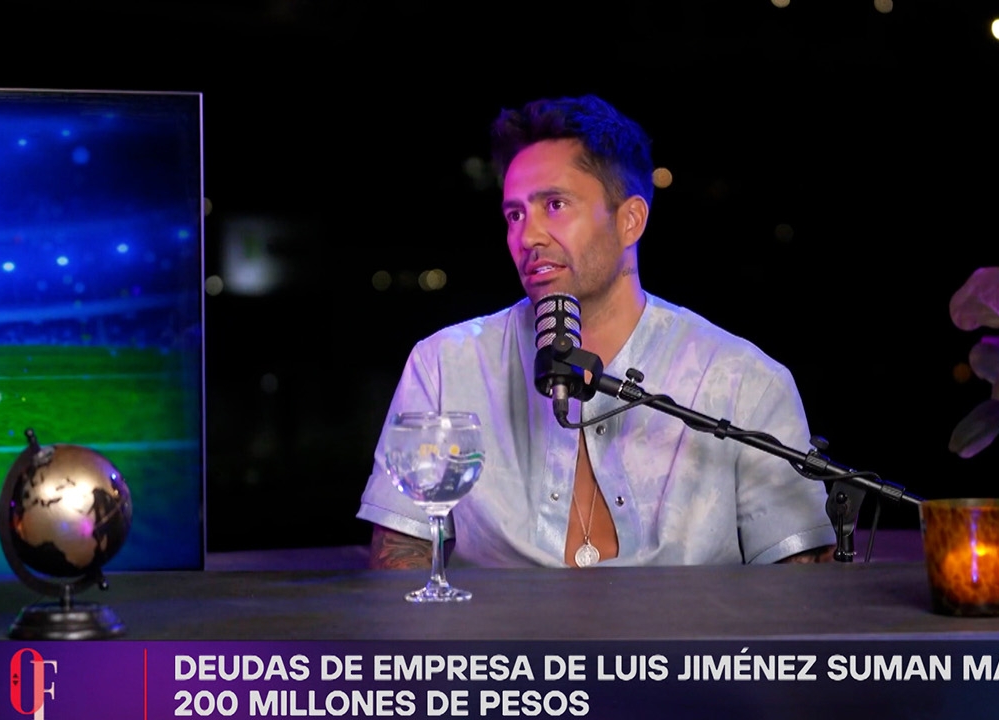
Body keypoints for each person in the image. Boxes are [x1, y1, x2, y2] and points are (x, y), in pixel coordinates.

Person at [356, 94, 836, 569]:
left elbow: (797, 586)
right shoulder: (445, 364)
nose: (528, 236)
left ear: (630, 221)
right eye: (515, 214)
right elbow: (400, 555)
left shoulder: (742, 379)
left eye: (555, 205)